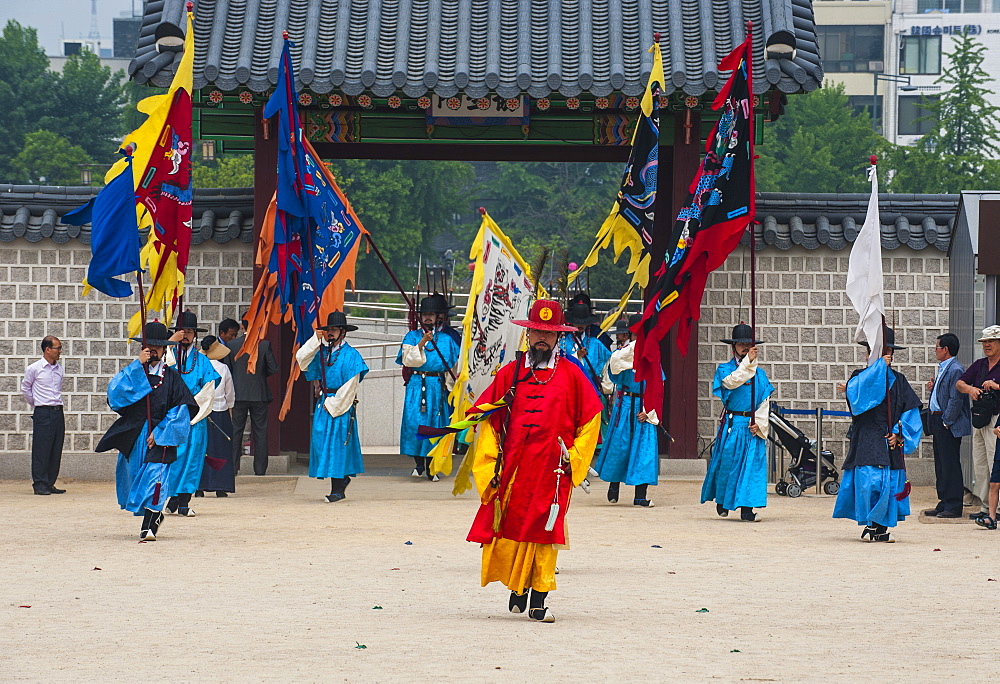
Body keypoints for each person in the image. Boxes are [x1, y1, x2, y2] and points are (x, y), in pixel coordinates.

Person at [467, 299, 603, 623]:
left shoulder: (571, 374)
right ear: (528, 335)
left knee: (545, 530)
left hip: (552, 470)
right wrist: (492, 462)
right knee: (512, 527)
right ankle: (518, 587)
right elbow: (488, 417)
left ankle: (539, 598)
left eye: (549, 333)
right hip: (515, 467)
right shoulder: (511, 374)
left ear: (559, 337)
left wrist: (575, 456)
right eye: (537, 332)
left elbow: (592, 417)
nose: (542, 338)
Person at [96, 321, 198, 541]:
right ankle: (153, 516)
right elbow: (115, 394)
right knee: (136, 479)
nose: (152, 350)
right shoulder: (135, 372)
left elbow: (180, 409)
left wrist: (162, 433)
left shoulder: (171, 377)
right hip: (135, 434)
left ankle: (148, 526)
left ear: (164, 349)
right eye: (147, 345)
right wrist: (136, 365)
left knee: (156, 479)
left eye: (157, 346)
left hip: (160, 436)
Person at [833, 328, 922, 543]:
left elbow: (911, 413)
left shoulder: (899, 381)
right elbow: (859, 401)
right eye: (871, 351)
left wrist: (900, 435)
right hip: (866, 439)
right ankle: (871, 524)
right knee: (869, 484)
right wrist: (878, 369)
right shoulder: (858, 378)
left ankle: (880, 527)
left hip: (889, 440)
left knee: (888, 485)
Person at [701, 323, 773, 522]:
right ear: (734, 347)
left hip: (752, 425)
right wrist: (747, 363)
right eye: (740, 344)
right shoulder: (725, 369)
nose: (744, 348)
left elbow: (765, 400)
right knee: (728, 464)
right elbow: (731, 382)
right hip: (733, 425)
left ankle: (747, 510)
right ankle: (723, 501)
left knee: (751, 467)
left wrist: (760, 422)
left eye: (747, 345)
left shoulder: (760, 374)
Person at [297, 312, 370, 502]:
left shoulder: (351, 355)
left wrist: (336, 404)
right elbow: (302, 360)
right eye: (328, 329)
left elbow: (351, 384)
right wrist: (315, 340)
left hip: (340, 404)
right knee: (321, 443)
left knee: (338, 445)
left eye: (334, 329)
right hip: (325, 402)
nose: (330, 333)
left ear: (343, 332)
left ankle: (337, 489)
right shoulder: (323, 352)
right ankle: (342, 479)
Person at [593, 314, 659, 507]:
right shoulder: (623, 353)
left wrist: (649, 410)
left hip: (645, 406)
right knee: (619, 446)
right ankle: (614, 485)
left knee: (644, 452)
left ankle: (640, 495)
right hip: (627, 404)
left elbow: (657, 384)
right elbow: (614, 373)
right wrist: (629, 354)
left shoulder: (653, 352)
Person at [397, 295, 461, 481]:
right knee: (414, 423)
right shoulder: (411, 336)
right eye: (425, 314)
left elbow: (455, 365)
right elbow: (409, 360)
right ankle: (418, 463)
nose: (427, 318)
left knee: (435, 424)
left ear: (437, 316)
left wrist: (455, 386)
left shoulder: (447, 339)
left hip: (436, 385)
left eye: (431, 314)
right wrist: (423, 341)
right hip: (417, 384)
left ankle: (432, 467)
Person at [164, 311, 219, 517]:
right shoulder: (169, 356)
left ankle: (184, 501)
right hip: (172, 416)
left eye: (189, 331)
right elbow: (159, 368)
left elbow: (209, 387)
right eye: (182, 331)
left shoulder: (202, 361)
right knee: (174, 457)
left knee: (192, 459)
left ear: (195, 335)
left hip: (196, 416)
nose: (185, 335)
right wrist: (169, 343)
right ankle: (173, 497)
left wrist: (195, 411)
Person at [923, 333, 970, 519]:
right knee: (941, 464)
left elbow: (955, 399)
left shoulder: (955, 369)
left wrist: (946, 421)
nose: (935, 351)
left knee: (950, 464)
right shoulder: (944, 368)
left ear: (946, 350)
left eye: (937, 347)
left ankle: (953, 504)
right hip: (937, 420)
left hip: (947, 422)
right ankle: (943, 501)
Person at [956, 325, 1000, 521]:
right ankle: (985, 506)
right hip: (980, 418)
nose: (987, 345)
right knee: (980, 464)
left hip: (997, 420)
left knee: (995, 463)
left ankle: (996, 509)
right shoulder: (980, 364)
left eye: (991, 341)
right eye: (984, 342)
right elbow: (960, 383)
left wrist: (996, 386)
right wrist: (970, 390)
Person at [227, 314, 279, 476]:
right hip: (259, 393)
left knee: (235, 432)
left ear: (242, 326)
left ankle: (232, 469)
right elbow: (273, 368)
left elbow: (227, 371)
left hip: (237, 393)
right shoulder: (264, 345)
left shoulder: (232, 345)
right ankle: (260, 470)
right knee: (260, 432)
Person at [21, 336, 66, 495]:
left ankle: (49, 482)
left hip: (57, 411)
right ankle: (39, 483)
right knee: (41, 449)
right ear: (47, 349)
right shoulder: (34, 368)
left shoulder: (59, 369)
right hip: (43, 412)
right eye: (58, 348)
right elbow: (26, 389)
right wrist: (37, 404)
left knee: (55, 447)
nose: (60, 351)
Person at [197, 336, 236, 498]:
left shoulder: (197, 367)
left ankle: (199, 487)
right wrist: (231, 412)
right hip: (220, 412)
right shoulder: (223, 368)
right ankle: (221, 486)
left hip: (200, 413)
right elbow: (230, 395)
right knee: (221, 450)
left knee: (201, 449)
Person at [559, 292, 612, 392]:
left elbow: (608, 362)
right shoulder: (562, 343)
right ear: (571, 322)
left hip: (591, 388)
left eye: (583, 323)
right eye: (577, 322)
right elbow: (559, 365)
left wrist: (605, 385)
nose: (580, 325)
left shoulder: (596, 343)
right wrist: (576, 355)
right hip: (568, 388)